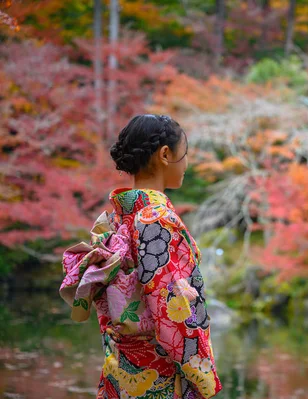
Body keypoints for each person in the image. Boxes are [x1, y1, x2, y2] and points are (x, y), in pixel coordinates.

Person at [59, 115, 222, 399]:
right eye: (185, 155)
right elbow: (174, 307)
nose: (186, 164)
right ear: (165, 154)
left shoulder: (121, 218)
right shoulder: (157, 218)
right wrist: (202, 376)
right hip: (160, 375)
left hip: (122, 369)